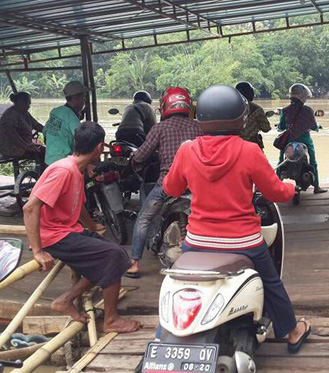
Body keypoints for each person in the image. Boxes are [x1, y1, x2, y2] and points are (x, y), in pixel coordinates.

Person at [163, 85, 311, 353]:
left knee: (179, 280)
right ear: (240, 118)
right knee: (271, 282)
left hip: (197, 242)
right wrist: (290, 186)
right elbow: (275, 191)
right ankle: (291, 331)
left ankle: (166, 337)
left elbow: (170, 189)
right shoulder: (248, 150)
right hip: (242, 241)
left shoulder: (187, 151)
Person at [23, 122, 142, 334]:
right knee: (112, 255)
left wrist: (92, 227)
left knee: (117, 256)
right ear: (98, 148)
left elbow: (76, 205)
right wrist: (38, 249)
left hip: (68, 230)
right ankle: (111, 320)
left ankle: (65, 299)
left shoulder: (76, 169)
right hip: (54, 236)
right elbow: (30, 208)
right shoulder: (63, 171)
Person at [125, 87, 202, 278]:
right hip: (197, 185)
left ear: (165, 106)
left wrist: (134, 159)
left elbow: (142, 155)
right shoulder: (199, 127)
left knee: (143, 219)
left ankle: (134, 264)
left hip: (167, 184)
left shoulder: (159, 128)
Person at [277, 83, 327, 194]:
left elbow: (281, 127)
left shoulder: (285, 111)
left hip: (289, 141)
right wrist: (316, 128)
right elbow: (313, 126)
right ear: (303, 96)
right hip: (305, 140)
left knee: (280, 160)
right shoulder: (308, 110)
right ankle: (316, 187)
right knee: (313, 161)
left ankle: (275, 185)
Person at [43, 81, 88, 165]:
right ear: (76, 98)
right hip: (63, 162)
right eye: (83, 97)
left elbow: (45, 133)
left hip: (49, 160)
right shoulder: (71, 117)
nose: (84, 100)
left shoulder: (55, 111)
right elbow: (82, 139)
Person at [0, 91, 45, 164]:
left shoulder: (24, 113)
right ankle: (44, 174)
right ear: (20, 102)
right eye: (27, 103)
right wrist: (27, 146)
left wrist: (48, 131)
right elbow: (13, 135)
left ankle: (41, 172)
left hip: (23, 146)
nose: (29, 106)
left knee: (45, 151)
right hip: (11, 148)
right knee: (43, 152)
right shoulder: (10, 115)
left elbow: (37, 125)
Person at [235, 81, 271, 149]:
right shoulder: (257, 109)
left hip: (234, 146)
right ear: (250, 93)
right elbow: (266, 128)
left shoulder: (229, 108)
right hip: (252, 146)